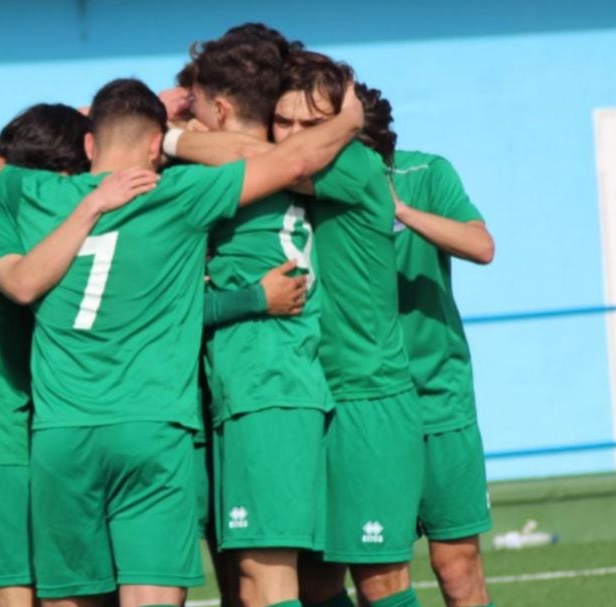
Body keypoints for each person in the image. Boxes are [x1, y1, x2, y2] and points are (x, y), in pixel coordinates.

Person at [0, 77, 363, 607]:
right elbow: (294, 162)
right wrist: (349, 121)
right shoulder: (178, 195)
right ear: (156, 147)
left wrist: (91, 111)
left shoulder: (42, 194)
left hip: (62, 434)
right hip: (152, 430)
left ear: (89, 144)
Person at [172, 50, 423, 607]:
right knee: (314, 583)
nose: (291, 136)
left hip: (365, 392)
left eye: (311, 125)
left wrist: (167, 140)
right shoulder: (294, 168)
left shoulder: (349, 162)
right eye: (281, 121)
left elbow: (263, 157)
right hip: (311, 390)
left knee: (380, 580)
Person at [0, 103, 153, 607]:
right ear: (57, 176)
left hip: (16, 433)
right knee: (23, 595)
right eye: (76, 181)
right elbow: (25, 285)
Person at [173, 23, 333, 607]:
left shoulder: (212, 176)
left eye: (192, 104)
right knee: (260, 579)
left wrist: (165, 137)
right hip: (269, 384)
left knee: (266, 579)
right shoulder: (286, 165)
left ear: (217, 107)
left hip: (265, 386)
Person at [388, 149, 495, 607]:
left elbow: (482, 246)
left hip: (439, 398)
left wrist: (403, 212)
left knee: (457, 564)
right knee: (378, 572)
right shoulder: (300, 184)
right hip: (360, 406)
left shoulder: (425, 173)